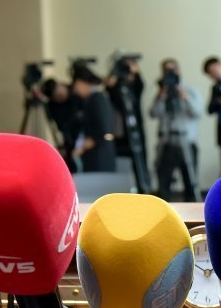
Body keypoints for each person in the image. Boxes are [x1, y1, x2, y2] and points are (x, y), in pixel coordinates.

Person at [150, 59, 204, 201]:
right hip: (167, 143)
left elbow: (198, 112)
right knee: (163, 182)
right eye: (166, 70)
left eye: (172, 70)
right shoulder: (161, 92)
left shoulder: (190, 90)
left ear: (179, 70)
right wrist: (161, 95)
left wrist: (184, 96)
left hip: (187, 142)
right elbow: (153, 113)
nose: (169, 73)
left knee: (190, 182)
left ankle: (192, 210)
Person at [105, 55, 149, 183]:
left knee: (140, 163)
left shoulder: (133, 87)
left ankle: (143, 186)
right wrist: (113, 77)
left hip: (136, 132)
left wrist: (136, 72)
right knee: (123, 164)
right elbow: (110, 93)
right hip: (120, 134)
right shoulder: (115, 87)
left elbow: (140, 86)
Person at [70, 63, 117, 172]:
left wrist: (82, 147)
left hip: (99, 157)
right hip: (102, 155)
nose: (76, 91)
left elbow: (103, 131)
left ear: (81, 82)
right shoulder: (99, 97)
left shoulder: (96, 99)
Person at [42, 78, 79, 171]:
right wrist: (62, 146)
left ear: (61, 85)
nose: (60, 96)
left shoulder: (77, 91)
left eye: (59, 91)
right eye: (56, 96)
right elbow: (59, 128)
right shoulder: (52, 107)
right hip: (69, 142)